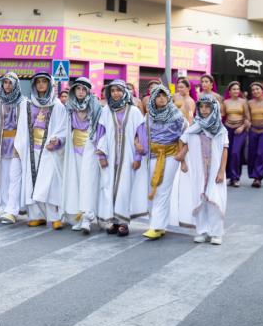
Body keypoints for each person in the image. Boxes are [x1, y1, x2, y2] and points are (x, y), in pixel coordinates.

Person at [175, 95, 228, 245]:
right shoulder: (194, 127)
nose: (204, 110)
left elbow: (225, 150)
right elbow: (182, 141)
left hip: (215, 170)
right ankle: (202, 231)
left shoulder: (220, 129)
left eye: (208, 107)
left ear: (214, 108)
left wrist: (221, 171)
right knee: (200, 199)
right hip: (198, 170)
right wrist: (183, 162)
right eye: (201, 107)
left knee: (214, 200)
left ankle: (216, 233)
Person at [96, 79, 145, 237]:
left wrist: (138, 157)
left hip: (128, 156)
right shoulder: (106, 110)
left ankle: (124, 222)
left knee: (124, 189)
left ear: (125, 92)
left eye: (119, 90)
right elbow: (100, 134)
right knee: (109, 188)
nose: (116, 93)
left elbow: (141, 135)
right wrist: (101, 155)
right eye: (113, 91)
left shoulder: (134, 111)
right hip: (110, 156)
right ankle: (114, 221)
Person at [139, 85, 187, 240]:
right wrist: (138, 145)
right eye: (158, 96)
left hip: (171, 155)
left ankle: (156, 226)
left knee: (163, 189)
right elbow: (142, 134)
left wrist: (182, 155)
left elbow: (185, 136)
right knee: (152, 188)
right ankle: (159, 225)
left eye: (164, 95)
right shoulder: (149, 116)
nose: (161, 98)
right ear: (153, 99)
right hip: (153, 155)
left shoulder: (177, 115)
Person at [24, 73, 67, 229]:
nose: (41, 84)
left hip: (49, 149)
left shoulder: (57, 105)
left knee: (50, 183)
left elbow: (63, 128)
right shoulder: (28, 104)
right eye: (38, 82)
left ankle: (55, 217)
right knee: (32, 182)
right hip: (31, 149)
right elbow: (23, 126)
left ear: (50, 84)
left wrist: (57, 140)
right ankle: (37, 216)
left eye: (44, 82)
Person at [61, 77, 103, 234]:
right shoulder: (69, 106)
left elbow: (101, 129)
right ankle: (78, 217)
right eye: (77, 89)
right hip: (75, 149)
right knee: (76, 182)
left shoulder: (95, 106)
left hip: (91, 148)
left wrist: (100, 148)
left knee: (88, 182)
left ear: (88, 91)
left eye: (83, 89)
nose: (80, 92)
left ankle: (87, 217)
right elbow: (65, 128)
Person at [0, 73, 28, 225]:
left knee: (15, 177)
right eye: (5, 82)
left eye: (10, 83)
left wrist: (21, 144)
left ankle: (14, 208)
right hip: (2, 144)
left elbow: (26, 126)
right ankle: (7, 207)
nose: (7, 85)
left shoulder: (24, 103)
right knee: (4, 177)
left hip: (18, 144)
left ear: (16, 84)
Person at [223, 81, 250, 187]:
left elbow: (248, 118)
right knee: (228, 153)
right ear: (229, 91)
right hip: (228, 129)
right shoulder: (225, 102)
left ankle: (235, 177)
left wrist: (242, 127)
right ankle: (228, 176)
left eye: (238, 89)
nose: (236, 91)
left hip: (240, 130)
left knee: (235, 152)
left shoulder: (243, 102)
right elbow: (222, 116)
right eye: (234, 89)